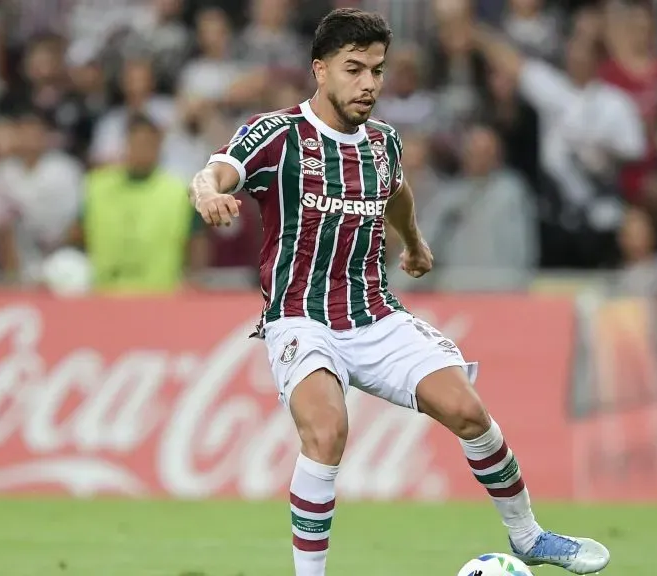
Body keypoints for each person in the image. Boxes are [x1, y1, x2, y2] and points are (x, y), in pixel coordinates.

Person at [187, 8, 610, 576]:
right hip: (300, 317)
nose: (368, 84)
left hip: (374, 314)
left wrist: (413, 242)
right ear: (320, 69)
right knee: (327, 432)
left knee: (469, 412)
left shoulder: (383, 142)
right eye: (354, 69)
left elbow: (398, 191)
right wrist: (207, 195)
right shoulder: (278, 134)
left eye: (377, 70)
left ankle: (528, 536)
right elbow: (213, 171)